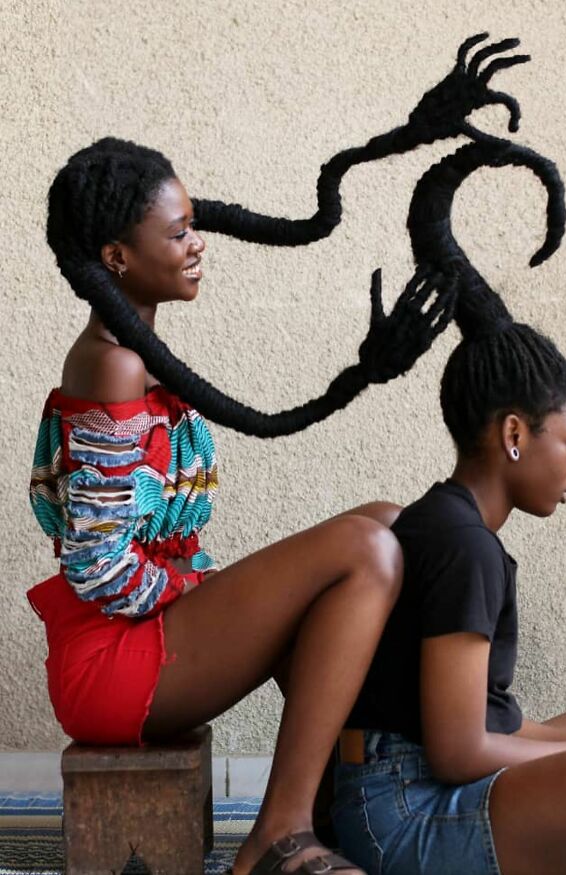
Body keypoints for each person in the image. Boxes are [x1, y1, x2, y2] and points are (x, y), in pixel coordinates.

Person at [26, 133, 457, 875]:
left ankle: (355, 796)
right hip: (114, 658)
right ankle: (276, 836)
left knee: (389, 522)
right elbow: (96, 565)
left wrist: (215, 591)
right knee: (365, 551)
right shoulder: (112, 365)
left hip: (150, 628)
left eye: (194, 226)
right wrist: (206, 588)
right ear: (117, 257)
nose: (197, 245)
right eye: (177, 233)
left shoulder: (135, 352)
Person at [329, 146, 566, 875]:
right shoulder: (463, 545)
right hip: (407, 815)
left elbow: (488, 725)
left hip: (423, 784)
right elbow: (457, 751)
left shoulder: (451, 522)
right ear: (514, 435)